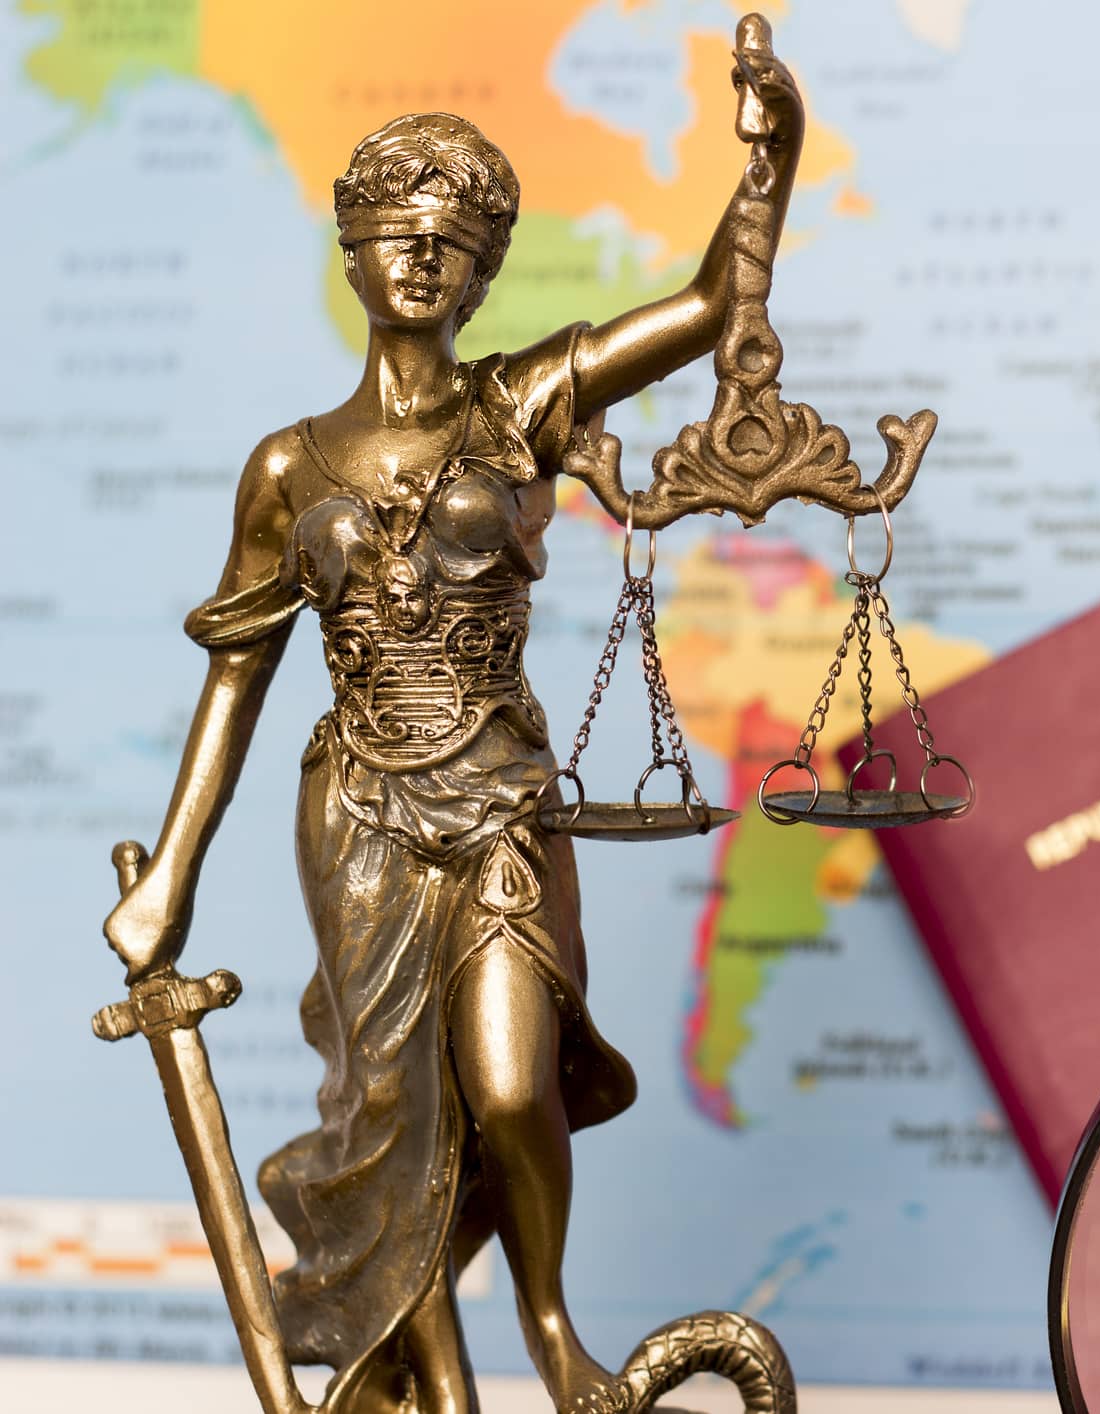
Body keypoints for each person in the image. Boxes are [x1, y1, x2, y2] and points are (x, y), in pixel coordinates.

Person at [99, 19, 803, 1412]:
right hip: (356, 809)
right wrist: (168, 878)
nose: (420, 259)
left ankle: (551, 1334)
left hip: (499, 796)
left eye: (450, 242)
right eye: (394, 234)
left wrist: (772, 157)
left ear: (482, 270)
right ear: (352, 252)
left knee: (502, 1082)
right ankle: (439, 1384)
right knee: (390, 1122)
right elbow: (236, 677)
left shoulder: (520, 401)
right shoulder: (291, 465)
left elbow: (713, 304)